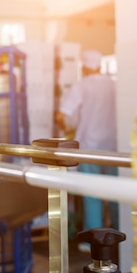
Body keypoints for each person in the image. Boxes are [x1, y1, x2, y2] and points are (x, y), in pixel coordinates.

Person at [54, 49, 118, 251]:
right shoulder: (115, 85)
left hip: (89, 147)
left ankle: (93, 241)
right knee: (117, 194)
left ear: (84, 67)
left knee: (92, 194)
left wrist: (68, 130)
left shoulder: (81, 86)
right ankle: (118, 235)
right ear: (100, 66)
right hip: (115, 148)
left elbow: (61, 116)